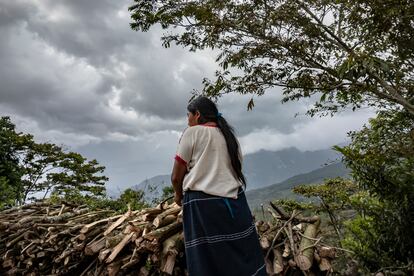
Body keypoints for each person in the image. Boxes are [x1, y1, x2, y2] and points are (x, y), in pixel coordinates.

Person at [171, 96, 266, 276]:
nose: (187, 120)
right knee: (240, 254)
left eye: (188, 115)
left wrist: (178, 195)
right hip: (235, 203)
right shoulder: (229, 136)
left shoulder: (192, 132)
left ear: (197, 115)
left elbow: (176, 176)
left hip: (203, 205)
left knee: (205, 258)